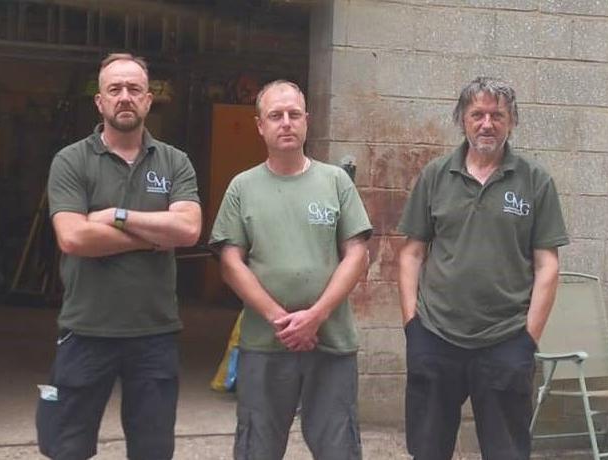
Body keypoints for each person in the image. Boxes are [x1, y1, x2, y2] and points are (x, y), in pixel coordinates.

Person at [36, 53, 201, 460]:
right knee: (66, 447)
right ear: (100, 102)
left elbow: (189, 230)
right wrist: (151, 236)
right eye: (115, 89)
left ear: (148, 100)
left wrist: (117, 217)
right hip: (86, 327)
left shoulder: (174, 161)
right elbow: (73, 238)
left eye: (134, 89)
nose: (124, 97)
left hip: (154, 331)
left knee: (153, 449)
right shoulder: (71, 160)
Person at [397, 76, 569, 460]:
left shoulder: (535, 181)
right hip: (436, 336)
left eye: (497, 115)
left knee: (507, 451)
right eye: (478, 114)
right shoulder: (436, 175)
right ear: (462, 119)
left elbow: (547, 265)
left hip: (506, 340)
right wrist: (413, 325)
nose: (487, 123)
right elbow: (411, 253)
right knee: (427, 450)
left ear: (512, 121)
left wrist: (528, 339)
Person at [210, 80, 372, 460]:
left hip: (330, 341)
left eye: (293, 114)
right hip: (265, 343)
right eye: (275, 115)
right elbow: (231, 264)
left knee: (339, 448)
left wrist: (316, 317)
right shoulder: (242, 187)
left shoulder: (336, 182)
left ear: (307, 121)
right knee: (257, 448)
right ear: (260, 126)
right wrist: (281, 320)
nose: (286, 122)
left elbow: (358, 255)